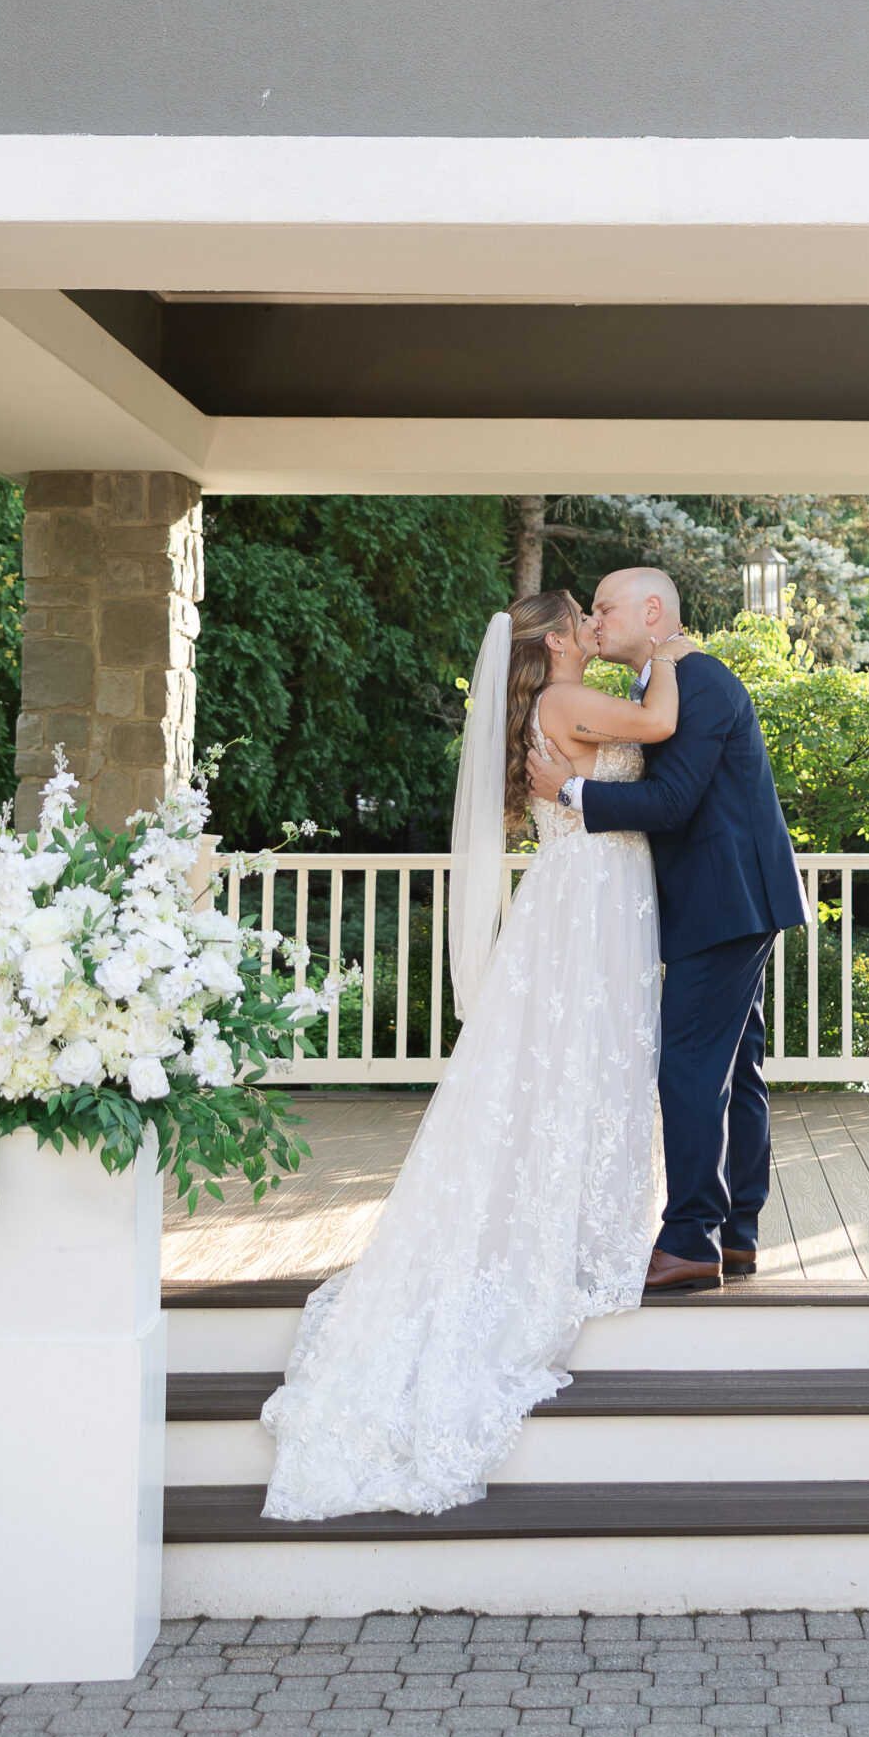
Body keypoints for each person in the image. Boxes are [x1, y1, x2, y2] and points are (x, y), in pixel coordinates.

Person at [260, 588, 684, 1518]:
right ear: (559, 641)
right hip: (591, 904)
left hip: (580, 897)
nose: (591, 628)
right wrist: (671, 645)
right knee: (585, 1060)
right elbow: (658, 719)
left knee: (564, 1067)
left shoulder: (544, 710)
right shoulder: (569, 703)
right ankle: (582, 1231)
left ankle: (571, 1215)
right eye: (584, 619)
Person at [529, 567, 807, 1293]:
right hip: (723, 901)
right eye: (587, 611)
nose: (595, 620)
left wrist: (567, 791)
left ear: (652, 611)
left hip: (724, 902)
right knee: (733, 1068)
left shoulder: (702, 680)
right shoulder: (658, 686)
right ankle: (734, 1235)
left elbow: (674, 802)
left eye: (606, 607)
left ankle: (688, 1239)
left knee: (685, 1065)